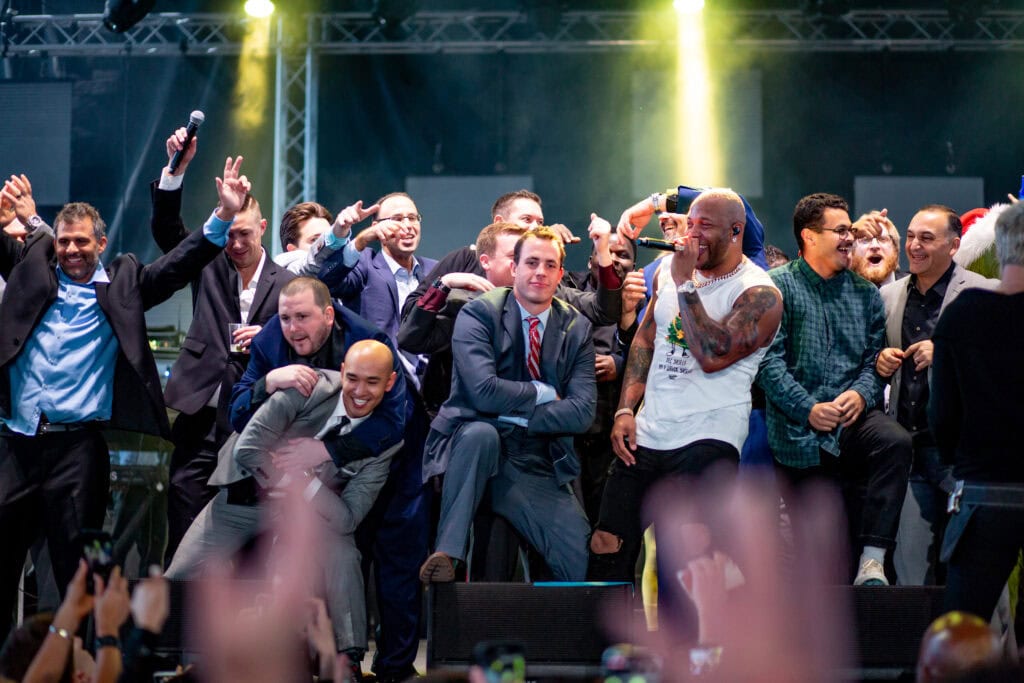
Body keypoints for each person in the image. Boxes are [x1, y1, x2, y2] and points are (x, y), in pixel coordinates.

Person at [0, 157, 244, 643]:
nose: (71, 250)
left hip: (77, 451)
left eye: (81, 242)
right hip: (16, 443)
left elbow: (179, 265)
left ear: (102, 244)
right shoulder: (30, 269)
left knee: (77, 574)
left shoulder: (124, 285)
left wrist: (222, 215)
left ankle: (76, 665)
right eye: (64, 241)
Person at [588, 190, 782, 596]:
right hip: (650, 430)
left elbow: (712, 354)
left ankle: (691, 654)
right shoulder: (666, 272)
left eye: (704, 226)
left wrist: (686, 285)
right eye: (689, 224)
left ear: (735, 231)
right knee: (607, 540)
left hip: (709, 436)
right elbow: (647, 336)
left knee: (687, 554)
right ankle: (603, 651)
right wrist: (626, 409)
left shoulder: (759, 293)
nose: (692, 235)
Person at [169, 340, 399, 681]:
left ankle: (347, 659)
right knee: (180, 574)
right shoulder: (308, 387)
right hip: (247, 495)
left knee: (343, 553)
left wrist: (302, 482)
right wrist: (284, 476)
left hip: (308, 512)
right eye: (352, 378)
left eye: (372, 382)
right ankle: (181, 662)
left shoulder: (383, 441)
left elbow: (349, 518)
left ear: (390, 382)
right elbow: (247, 450)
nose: (359, 391)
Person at [419, 227, 596, 583]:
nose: (540, 272)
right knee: (481, 434)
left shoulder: (576, 327)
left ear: (561, 274)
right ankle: (448, 554)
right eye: (531, 262)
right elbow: (482, 390)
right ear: (513, 267)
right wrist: (542, 393)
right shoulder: (478, 314)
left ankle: (559, 636)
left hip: (534, 455)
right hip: (473, 445)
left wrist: (517, 419)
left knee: (577, 552)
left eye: (550, 265)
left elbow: (581, 412)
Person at [152, 130, 297, 565]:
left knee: (249, 533)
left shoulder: (290, 285)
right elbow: (165, 230)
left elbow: (309, 342)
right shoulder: (209, 264)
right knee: (183, 513)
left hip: (256, 418)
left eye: (245, 235)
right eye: (229, 235)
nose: (235, 244)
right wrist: (176, 169)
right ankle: (180, 624)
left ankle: (241, 626)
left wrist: (271, 335)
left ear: (263, 228)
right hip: (200, 411)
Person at [758, 192, 912, 586]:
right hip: (799, 436)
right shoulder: (777, 287)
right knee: (820, 565)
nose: (851, 238)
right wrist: (808, 408)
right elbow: (767, 362)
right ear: (809, 237)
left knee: (894, 441)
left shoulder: (864, 295)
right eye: (841, 231)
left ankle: (873, 560)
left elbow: (874, 361)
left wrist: (861, 393)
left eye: (851, 230)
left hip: (852, 425)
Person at [876, 205, 999, 586]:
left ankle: (994, 648)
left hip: (961, 457)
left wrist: (946, 354)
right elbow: (872, 365)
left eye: (926, 238)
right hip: (908, 449)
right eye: (910, 236)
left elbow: (1003, 371)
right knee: (910, 575)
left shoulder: (986, 293)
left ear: (954, 245)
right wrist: (879, 361)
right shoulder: (889, 295)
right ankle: (916, 647)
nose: (914, 245)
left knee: (975, 575)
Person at [930, 201, 1024, 620]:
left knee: (961, 632)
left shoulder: (962, 315)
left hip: (984, 493)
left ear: (1000, 248)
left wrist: (959, 464)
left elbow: (942, 417)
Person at [400, 189, 623, 328]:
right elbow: (410, 313)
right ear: (499, 222)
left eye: (540, 221)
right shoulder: (466, 259)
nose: (535, 227)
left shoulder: (541, 278)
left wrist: (603, 251)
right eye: (527, 219)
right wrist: (448, 288)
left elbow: (603, 311)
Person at [850, 208, 903, 287]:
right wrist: (850, 232)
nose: (875, 246)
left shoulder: (915, 286)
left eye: (882, 239)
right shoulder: (838, 290)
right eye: (866, 239)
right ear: (852, 253)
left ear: (895, 250)